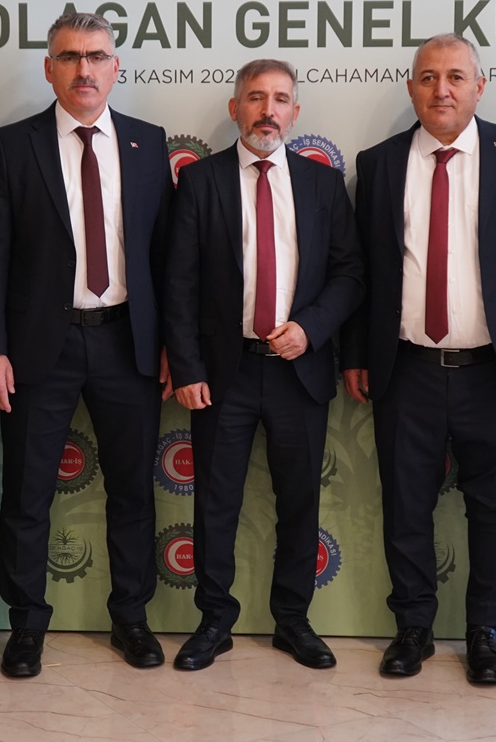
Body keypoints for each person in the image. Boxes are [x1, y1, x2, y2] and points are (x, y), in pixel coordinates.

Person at [342, 33, 496, 682]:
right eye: (429, 77)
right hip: (405, 368)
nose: (442, 89)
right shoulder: (379, 164)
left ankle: (486, 632)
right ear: (412, 87)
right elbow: (362, 271)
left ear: (479, 87)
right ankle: (412, 628)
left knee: (495, 505)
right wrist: (356, 353)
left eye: (456, 77)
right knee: (405, 503)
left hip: (495, 370)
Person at [0, 12, 173, 678]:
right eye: (70, 57)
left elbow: (167, 257)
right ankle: (27, 625)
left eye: (97, 56)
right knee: (28, 495)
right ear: (49, 68)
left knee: (133, 493)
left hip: (127, 344)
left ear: (116, 67)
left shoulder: (147, 143)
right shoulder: (13, 145)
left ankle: (131, 618)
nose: (85, 69)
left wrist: (173, 346)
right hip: (37, 350)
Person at [165, 59, 364, 671]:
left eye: (280, 99)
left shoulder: (323, 184)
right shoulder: (200, 181)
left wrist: (311, 328)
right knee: (215, 502)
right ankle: (213, 621)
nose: (267, 110)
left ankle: (292, 620)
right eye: (255, 97)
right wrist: (188, 367)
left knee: (299, 501)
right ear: (236, 109)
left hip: (297, 372)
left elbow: (350, 274)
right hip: (222, 373)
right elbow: (179, 283)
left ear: (295, 112)